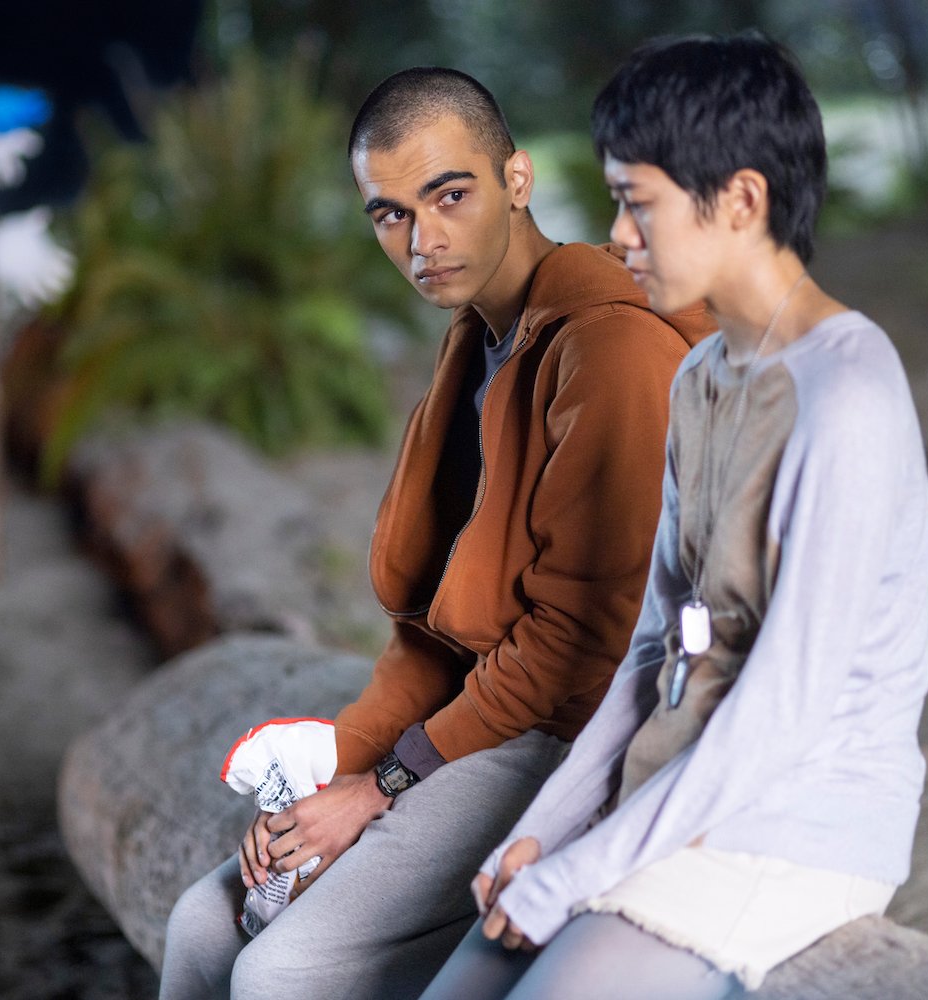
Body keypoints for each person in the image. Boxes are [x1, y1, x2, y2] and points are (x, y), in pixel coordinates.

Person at [157, 67, 713, 1000]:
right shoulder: (476, 344)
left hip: (577, 741)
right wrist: (329, 770)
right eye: (391, 214)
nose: (424, 239)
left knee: (282, 973)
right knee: (203, 926)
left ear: (518, 180)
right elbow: (432, 637)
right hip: (479, 724)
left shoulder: (609, 346)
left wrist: (378, 790)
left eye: (450, 195)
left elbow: (580, 644)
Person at [420, 34, 928, 1000]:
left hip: (795, 827)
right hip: (679, 789)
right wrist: (550, 827)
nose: (618, 235)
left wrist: (579, 872)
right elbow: (653, 648)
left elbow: (784, 713)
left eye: (637, 201)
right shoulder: (702, 375)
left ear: (741, 200)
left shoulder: (849, 395)